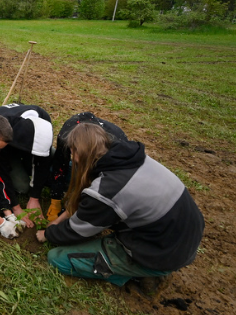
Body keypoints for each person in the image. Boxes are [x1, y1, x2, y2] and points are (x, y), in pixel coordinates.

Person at [36, 123, 204, 290]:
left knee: (57, 259)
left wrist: (49, 233)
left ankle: (139, 273)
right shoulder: (127, 157)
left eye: (72, 151)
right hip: (181, 234)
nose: (71, 157)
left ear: (79, 152)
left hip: (161, 252)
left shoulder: (108, 190)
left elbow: (77, 231)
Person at [47, 112, 128, 222]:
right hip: (88, 157)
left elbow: (105, 186)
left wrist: (81, 205)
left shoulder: (115, 148)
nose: (73, 157)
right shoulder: (66, 136)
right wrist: (55, 199)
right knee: (59, 172)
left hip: (108, 171)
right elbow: (60, 166)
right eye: (72, 152)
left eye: (77, 155)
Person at [0, 103, 53, 228]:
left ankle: (28, 165)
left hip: (23, 144)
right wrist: (16, 207)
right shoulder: (1, 129)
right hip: (7, 149)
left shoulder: (44, 118)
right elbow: (1, 168)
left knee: (52, 156)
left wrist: (35, 197)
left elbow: (43, 161)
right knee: (22, 187)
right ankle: (22, 165)